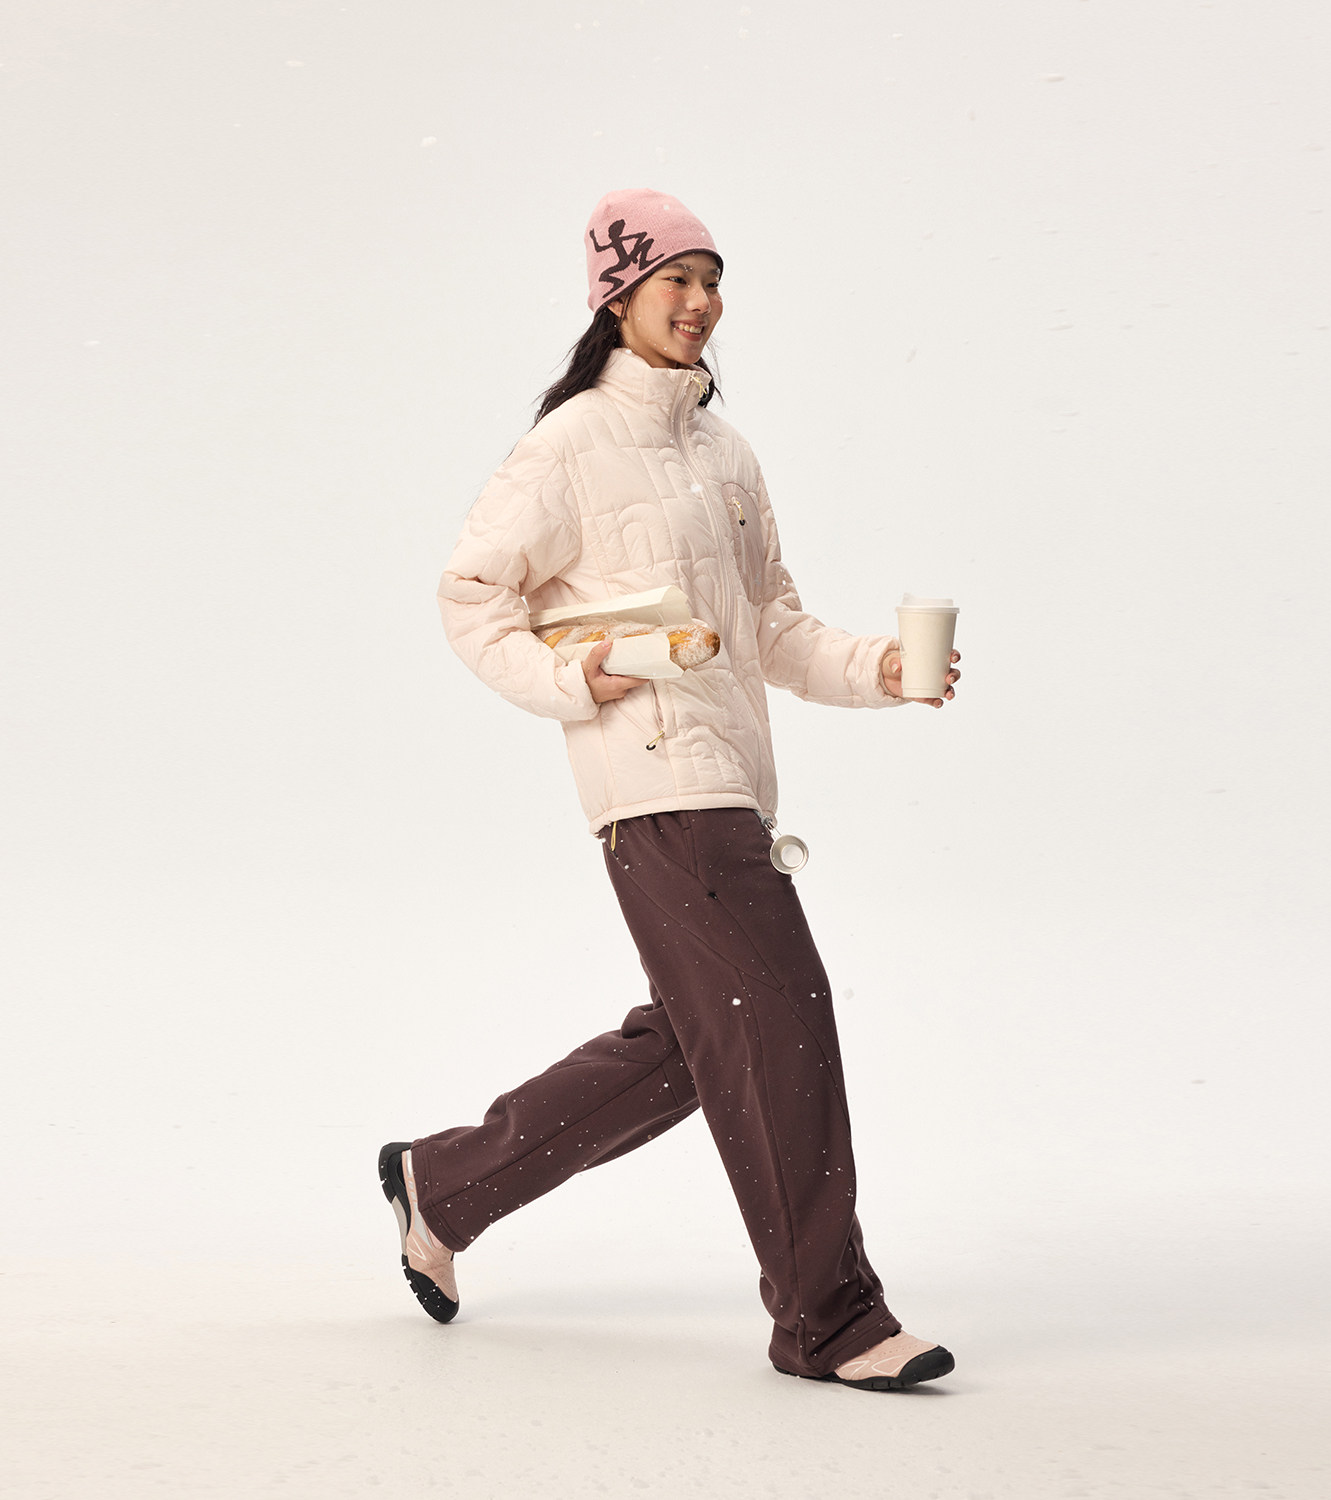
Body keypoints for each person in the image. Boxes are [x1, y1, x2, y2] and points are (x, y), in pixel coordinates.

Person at [379, 189, 962, 1392]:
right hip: (652, 781)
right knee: (782, 1018)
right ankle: (830, 1320)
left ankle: (445, 1185)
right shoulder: (568, 446)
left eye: (712, 281)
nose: (701, 303)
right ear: (617, 298)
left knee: (705, 1043)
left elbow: (771, 628)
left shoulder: (724, 453)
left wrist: (884, 670)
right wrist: (571, 677)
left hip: (730, 779)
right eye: (675, 282)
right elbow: (470, 598)